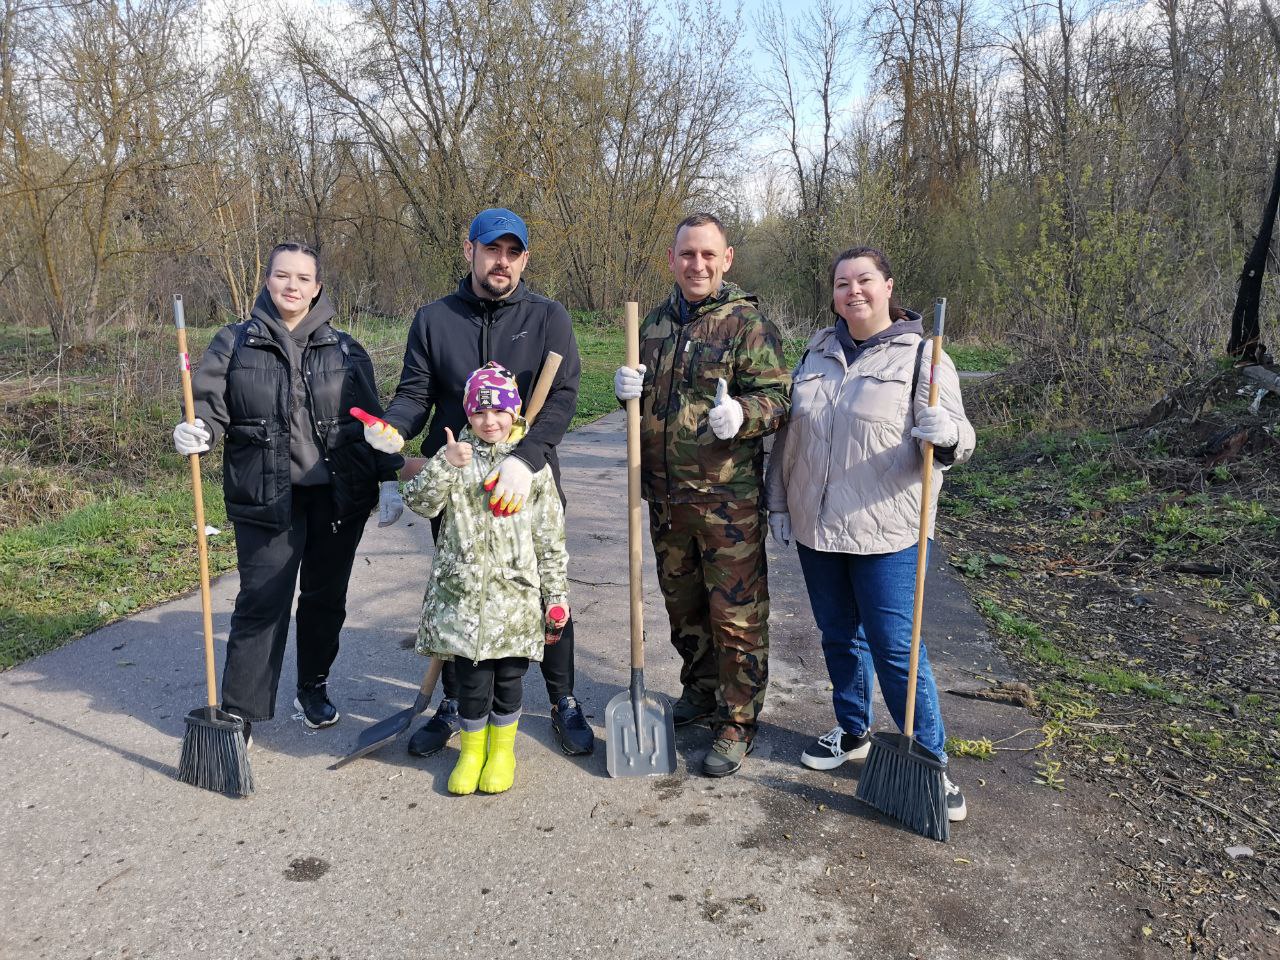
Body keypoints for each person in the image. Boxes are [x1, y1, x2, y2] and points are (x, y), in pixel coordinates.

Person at [362, 208, 594, 758]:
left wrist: (528, 457)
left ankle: (563, 701)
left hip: (526, 482)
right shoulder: (435, 319)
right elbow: (415, 394)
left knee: (542, 593)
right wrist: (392, 432)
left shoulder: (548, 317)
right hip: (461, 487)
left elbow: (563, 397)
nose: (502, 261)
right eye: (493, 250)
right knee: (461, 594)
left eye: (514, 253)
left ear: (525, 260)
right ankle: (453, 704)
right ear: (470, 250)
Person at [764, 245, 975, 822]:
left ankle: (930, 761)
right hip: (818, 526)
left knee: (897, 650)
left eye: (863, 281)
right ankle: (853, 728)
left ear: (887, 287)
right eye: (841, 284)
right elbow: (789, 435)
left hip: (889, 530)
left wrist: (948, 431)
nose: (852, 292)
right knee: (838, 636)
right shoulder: (816, 351)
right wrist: (777, 502)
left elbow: (959, 438)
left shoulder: (922, 356)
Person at [171, 242, 403, 745]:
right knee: (263, 599)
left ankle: (312, 687)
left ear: (318, 287)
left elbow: (373, 421)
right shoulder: (233, 344)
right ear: (268, 280)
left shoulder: (345, 349)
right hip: (265, 496)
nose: (292, 286)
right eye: (282, 276)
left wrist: (388, 478)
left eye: (303, 278)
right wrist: (197, 432)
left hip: (338, 499)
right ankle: (239, 712)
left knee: (325, 598)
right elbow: (208, 408)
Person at [612, 212, 790, 777]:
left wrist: (744, 414)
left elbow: (779, 400)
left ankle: (737, 719)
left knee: (734, 615)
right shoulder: (654, 324)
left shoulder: (747, 324)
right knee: (683, 608)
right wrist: (627, 395)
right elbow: (651, 406)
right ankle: (701, 690)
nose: (697, 265)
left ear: (726, 259)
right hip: (666, 500)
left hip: (725, 504)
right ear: (672, 259)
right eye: (687, 254)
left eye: (708, 255)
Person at [400, 363, 569, 794]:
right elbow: (420, 504)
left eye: (499, 412)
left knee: (509, 679)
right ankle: (472, 752)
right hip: (463, 598)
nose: (489, 421)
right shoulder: (457, 456)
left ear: (514, 412)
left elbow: (550, 537)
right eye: (479, 413)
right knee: (471, 683)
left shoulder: (534, 467)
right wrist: (442, 464)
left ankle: (502, 751)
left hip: (515, 598)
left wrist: (556, 596)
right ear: (468, 414)